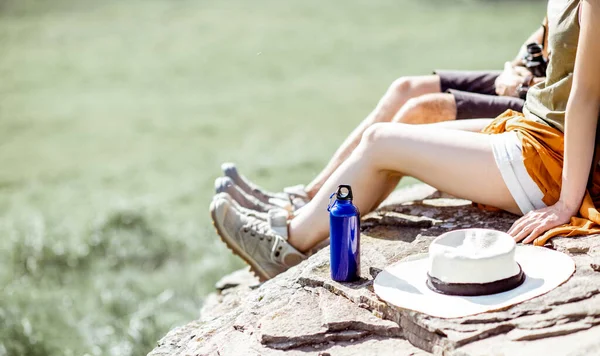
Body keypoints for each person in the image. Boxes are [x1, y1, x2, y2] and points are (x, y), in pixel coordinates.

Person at [211, 0, 600, 282]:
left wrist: (566, 204)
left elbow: (585, 98)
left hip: (551, 157)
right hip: (530, 130)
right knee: (382, 143)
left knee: (383, 141)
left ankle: (286, 246)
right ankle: (298, 216)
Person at [215, 23, 547, 212]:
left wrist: (523, 81)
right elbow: (542, 34)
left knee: (421, 111)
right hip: (528, 78)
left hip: (541, 98)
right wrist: (517, 65)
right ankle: (306, 196)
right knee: (405, 88)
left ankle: (319, 209)